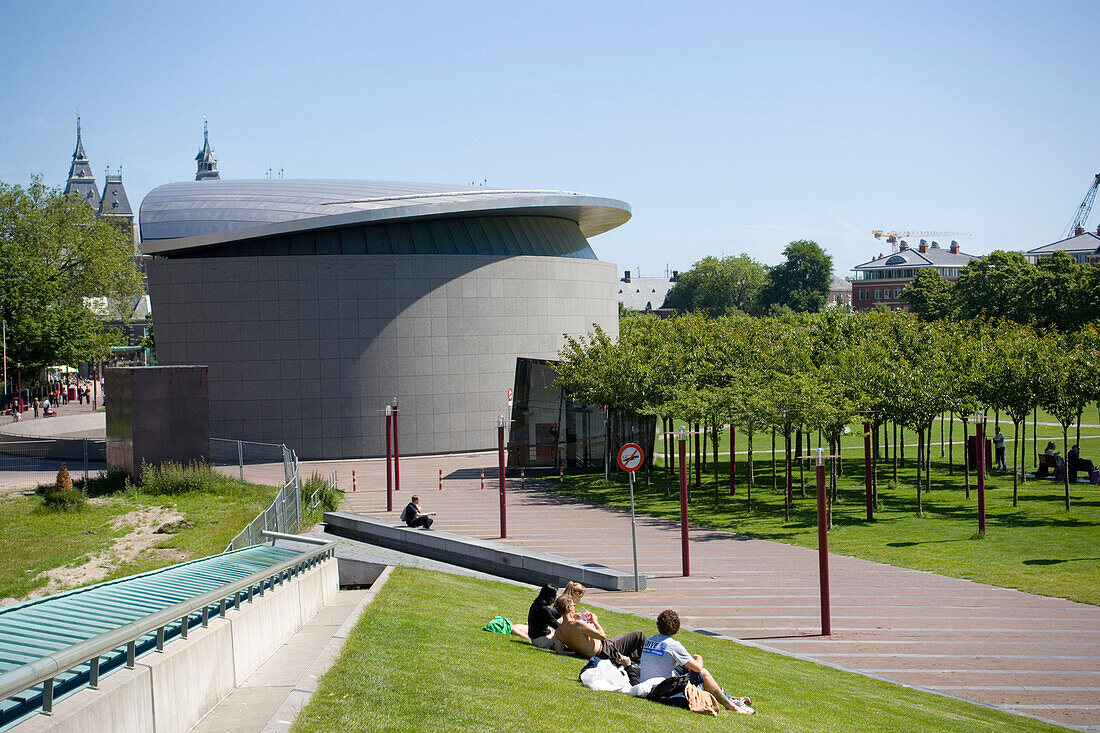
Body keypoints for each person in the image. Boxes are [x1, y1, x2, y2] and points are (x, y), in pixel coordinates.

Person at [640, 609, 749, 713]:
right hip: (661, 688)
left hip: (647, 683)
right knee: (703, 673)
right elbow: (698, 668)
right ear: (677, 627)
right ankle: (730, 705)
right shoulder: (673, 645)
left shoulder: (651, 639)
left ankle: (728, 697)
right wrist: (699, 658)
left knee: (688, 667)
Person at [552, 595, 647, 682]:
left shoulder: (559, 632)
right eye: (574, 605)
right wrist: (595, 621)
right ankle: (646, 665)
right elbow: (602, 635)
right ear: (569, 608)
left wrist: (576, 652)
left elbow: (559, 651)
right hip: (605, 651)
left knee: (622, 638)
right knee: (638, 635)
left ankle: (634, 660)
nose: (574, 607)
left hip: (597, 652)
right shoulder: (577, 624)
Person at [526, 584, 561, 648]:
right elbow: (557, 626)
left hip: (536, 639)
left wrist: (566, 614)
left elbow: (554, 615)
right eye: (555, 595)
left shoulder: (536, 605)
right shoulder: (543, 610)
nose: (556, 597)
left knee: (561, 620)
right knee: (566, 639)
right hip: (542, 641)